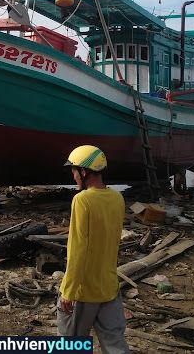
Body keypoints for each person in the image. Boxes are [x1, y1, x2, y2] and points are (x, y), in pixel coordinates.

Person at [57, 145, 129, 354]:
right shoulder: (117, 198)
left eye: (74, 169)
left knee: (71, 344)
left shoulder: (82, 200)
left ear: (84, 171)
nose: (73, 174)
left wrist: (68, 291)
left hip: (84, 291)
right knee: (115, 344)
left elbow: (78, 249)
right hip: (109, 286)